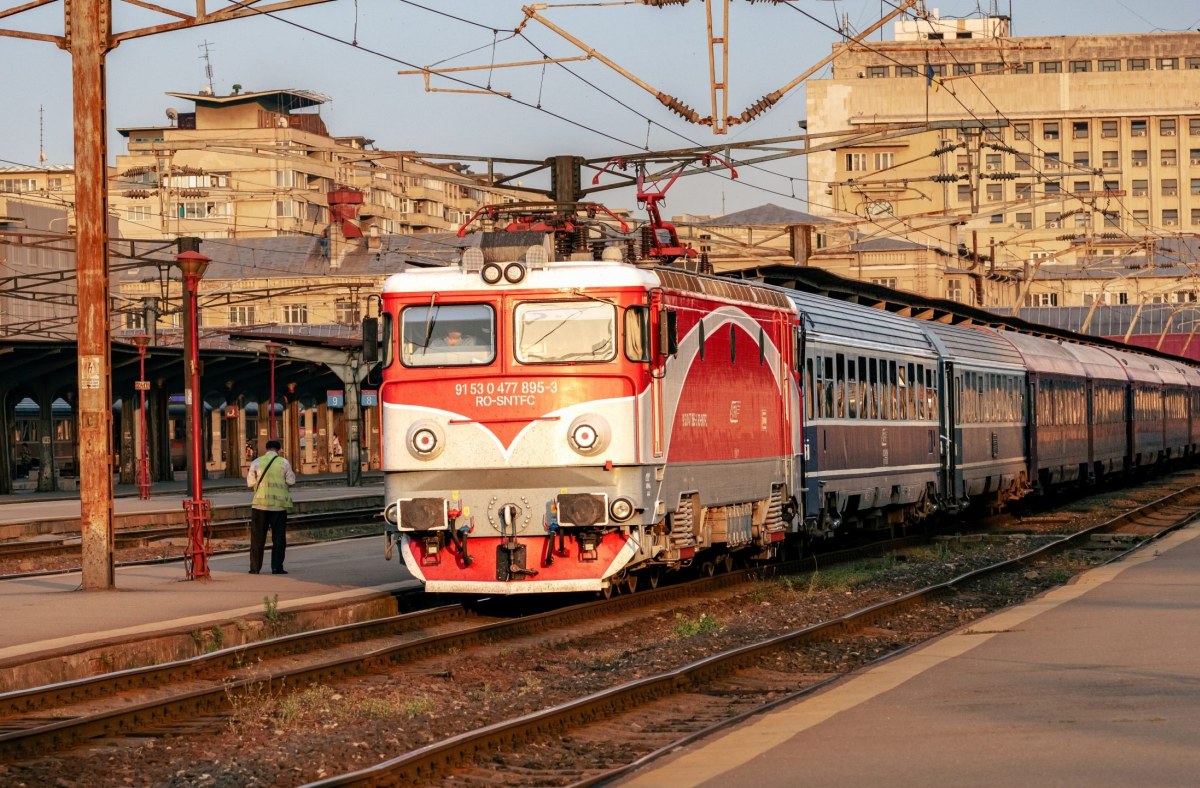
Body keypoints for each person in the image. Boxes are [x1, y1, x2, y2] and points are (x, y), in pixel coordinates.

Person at [246, 439, 296, 575]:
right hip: (278, 508)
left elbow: (250, 483)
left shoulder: (256, 462)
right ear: (278, 450)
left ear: (266, 449)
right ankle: (277, 567)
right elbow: (291, 481)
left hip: (259, 506)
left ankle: (255, 568)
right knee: (278, 539)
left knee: (257, 538)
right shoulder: (284, 463)